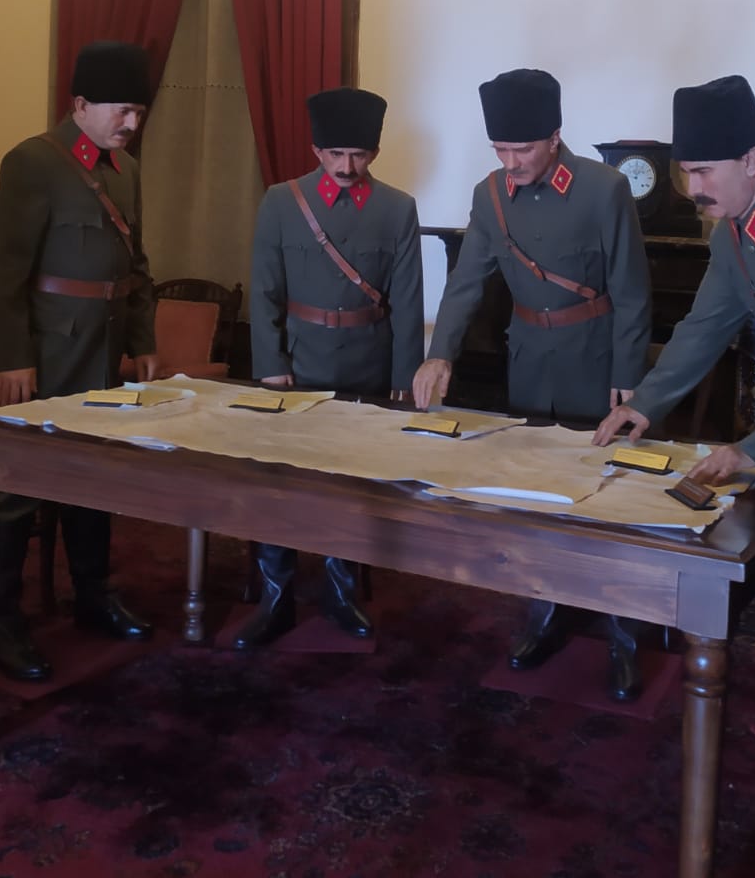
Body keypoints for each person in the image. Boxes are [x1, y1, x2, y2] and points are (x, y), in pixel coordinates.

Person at [412, 68, 652, 700]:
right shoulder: (490, 195)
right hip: (528, 362)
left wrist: (629, 376)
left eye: (522, 149)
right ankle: (546, 612)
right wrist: (440, 355)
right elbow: (466, 282)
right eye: (500, 149)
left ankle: (624, 633)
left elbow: (632, 292)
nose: (510, 162)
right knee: (535, 495)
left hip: (594, 363)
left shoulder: (604, 189)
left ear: (554, 137)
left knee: (608, 501)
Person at [0, 40, 162, 682]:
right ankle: (0, 621)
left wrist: (142, 339)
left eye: (138, 113)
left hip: (104, 355)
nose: (131, 125)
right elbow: (7, 269)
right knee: (19, 488)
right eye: (122, 112)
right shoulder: (32, 162)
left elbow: (135, 266)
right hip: (47, 354)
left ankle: (93, 595)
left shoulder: (127, 170)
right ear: (81, 104)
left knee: (94, 478)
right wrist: (12, 356)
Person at [242, 87, 425, 647]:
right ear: (317, 150)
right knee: (281, 482)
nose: (347, 167)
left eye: (359, 155)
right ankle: (276, 596)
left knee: (352, 482)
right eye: (336, 154)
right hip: (298, 368)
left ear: (375, 152)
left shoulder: (398, 208)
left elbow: (408, 301)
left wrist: (404, 381)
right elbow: (264, 292)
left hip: (368, 368)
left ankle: (341, 593)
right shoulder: (282, 201)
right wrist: (271, 365)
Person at [592, 75, 755, 486]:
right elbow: (703, 328)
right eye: (685, 173)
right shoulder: (729, 234)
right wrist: (644, 403)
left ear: (751, 160)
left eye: (703, 171)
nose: (693, 189)